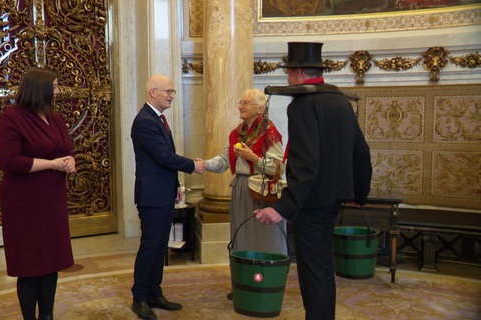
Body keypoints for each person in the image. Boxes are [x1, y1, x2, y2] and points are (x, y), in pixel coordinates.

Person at [255, 42, 372, 320]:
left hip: (311, 202)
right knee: (321, 266)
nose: (287, 78)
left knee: (313, 270)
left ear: (297, 73)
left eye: (288, 72)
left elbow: (306, 164)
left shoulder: (303, 105)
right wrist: (358, 192)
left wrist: (282, 207)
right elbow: (362, 152)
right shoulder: (341, 101)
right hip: (333, 199)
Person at [0, 67, 76, 320]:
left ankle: (48, 316)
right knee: (30, 265)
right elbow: (10, 161)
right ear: (39, 89)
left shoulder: (55, 117)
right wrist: (53, 164)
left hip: (52, 200)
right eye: (53, 86)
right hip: (24, 203)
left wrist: (70, 160)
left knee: (50, 261)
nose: (58, 91)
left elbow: (65, 148)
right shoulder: (12, 116)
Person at [130, 74, 204, 320]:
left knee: (161, 246)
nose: (172, 95)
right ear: (153, 92)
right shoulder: (145, 121)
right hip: (151, 197)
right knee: (150, 247)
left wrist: (176, 185)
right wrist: (193, 165)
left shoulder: (158, 119)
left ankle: (154, 293)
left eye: (172, 91)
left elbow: (164, 160)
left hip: (163, 193)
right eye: (168, 91)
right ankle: (139, 298)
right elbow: (164, 157)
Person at [204, 89, 287, 257]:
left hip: (262, 191)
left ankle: (268, 272)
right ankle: (245, 272)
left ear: (260, 109)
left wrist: (254, 158)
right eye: (240, 102)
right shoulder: (237, 133)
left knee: (265, 237)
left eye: (246, 103)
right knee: (242, 236)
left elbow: (279, 167)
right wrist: (204, 164)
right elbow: (224, 160)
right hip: (241, 190)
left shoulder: (270, 132)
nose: (241, 106)